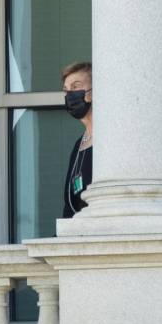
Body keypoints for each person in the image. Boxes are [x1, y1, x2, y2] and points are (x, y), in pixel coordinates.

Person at [60, 61, 93, 219]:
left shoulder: (111, 142)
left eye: (76, 86)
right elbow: (69, 205)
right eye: (66, 90)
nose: (70, 95)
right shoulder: (78, 145)